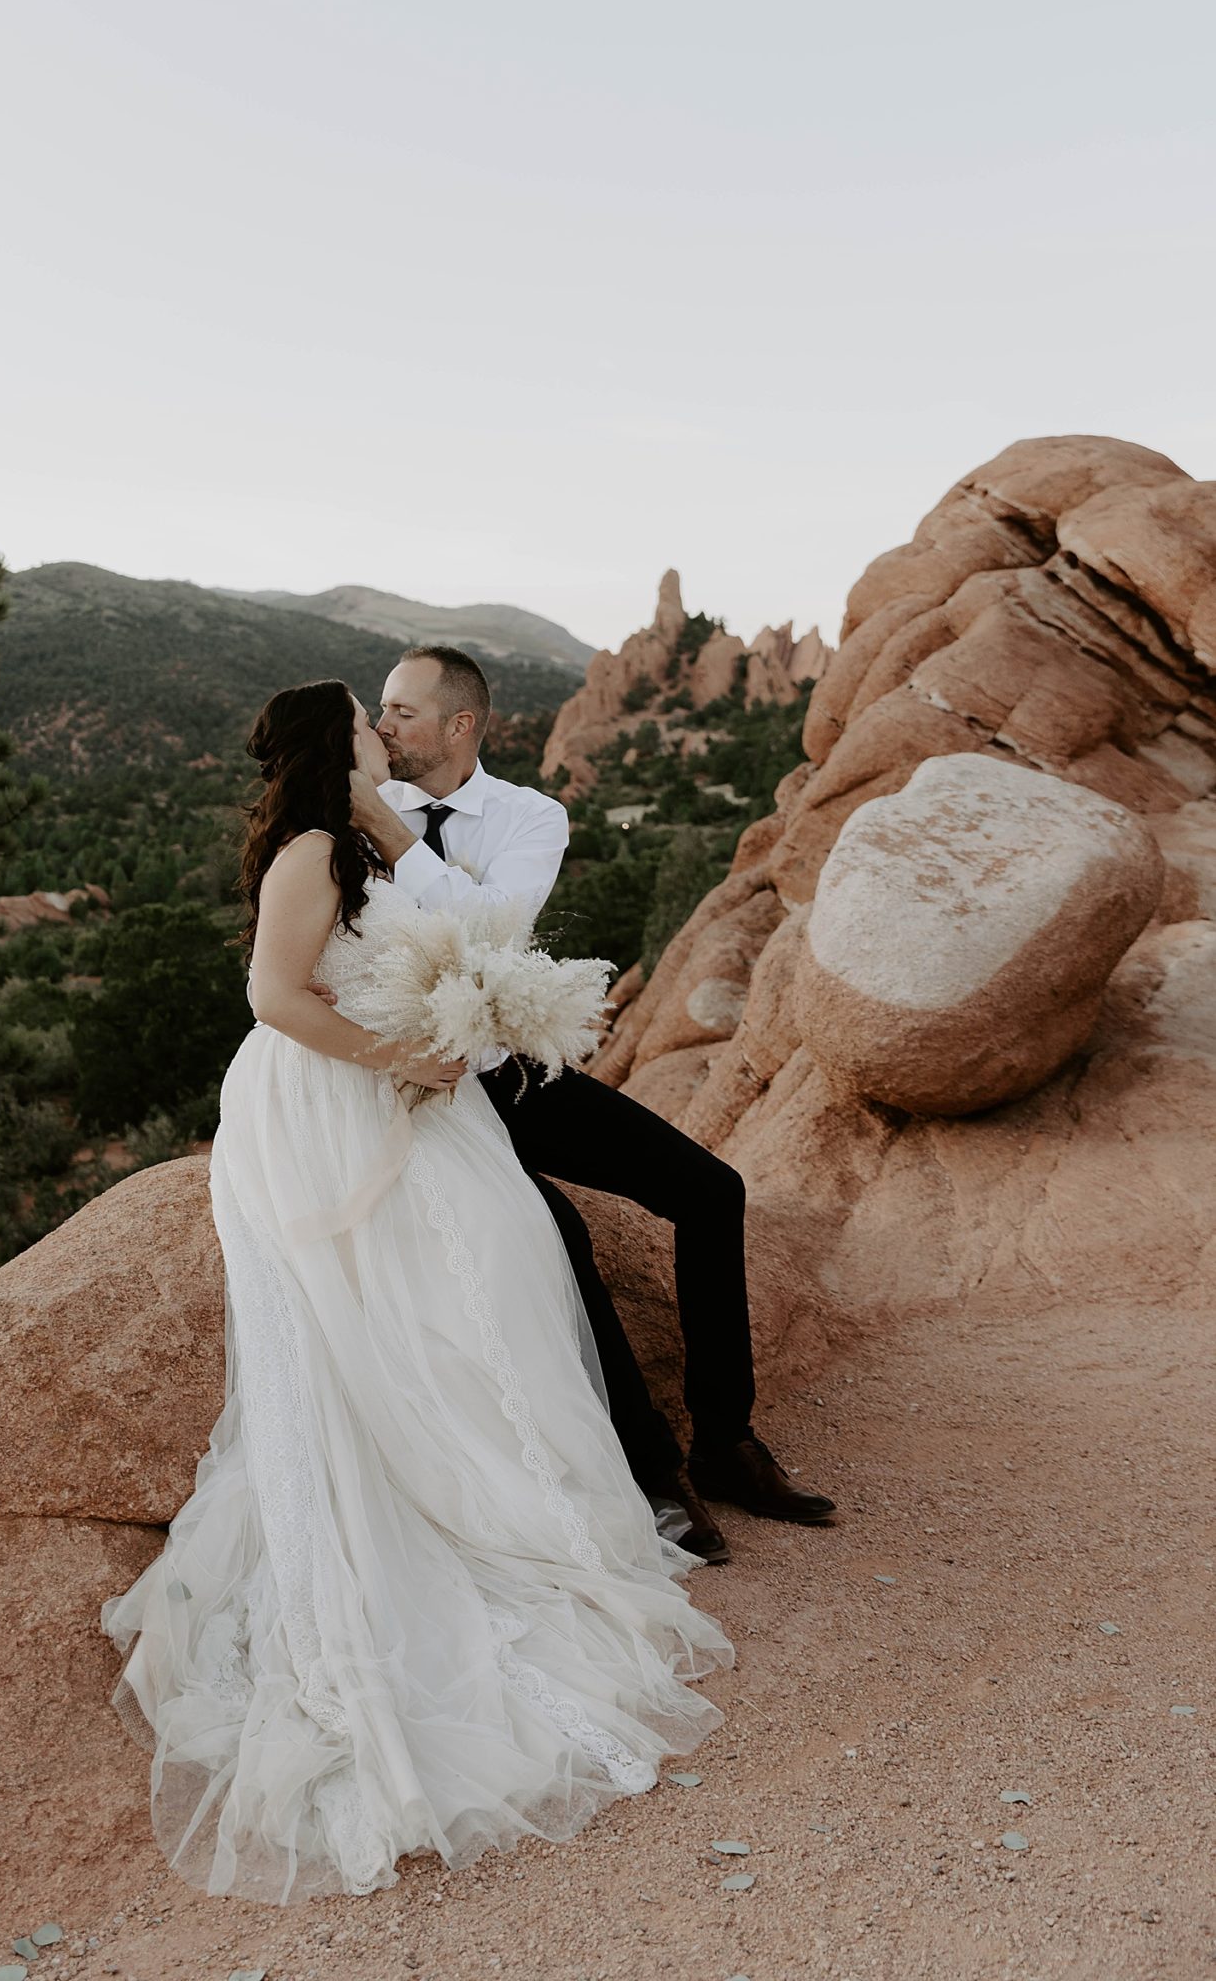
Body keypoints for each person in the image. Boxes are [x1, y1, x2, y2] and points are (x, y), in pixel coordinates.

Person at [102, 679, 733, 1903]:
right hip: (327, 1098)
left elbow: (458, 934)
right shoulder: (305, 852)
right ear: (329, 747)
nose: (378, 732)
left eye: (391, 715)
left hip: (415, 1084)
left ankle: (534, 1479)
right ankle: (439, 1501)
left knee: (500, 1269)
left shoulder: (383, 834)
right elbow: (273, 998)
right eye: (361, 720)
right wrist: (404, 1055)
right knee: (401, 1301)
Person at [344, 643, 837, 1566]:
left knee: (710, 1190)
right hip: (413, 1085)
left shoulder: (530, 816)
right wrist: (368, 821)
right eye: (379, 711)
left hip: (509, 1072)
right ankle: (651, 1476)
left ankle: (725, 1440)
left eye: (401, 712)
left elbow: (489, 926)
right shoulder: (341, 830)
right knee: (557, 1239)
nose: (382, 727)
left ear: (460, 725)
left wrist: (390, 830)